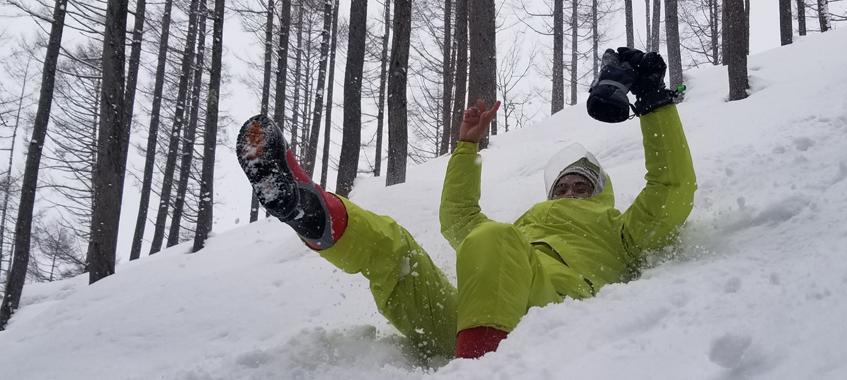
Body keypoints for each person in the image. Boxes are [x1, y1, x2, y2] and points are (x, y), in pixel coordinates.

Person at [235, 48, 696, 360]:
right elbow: (459, 220)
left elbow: (671, 187)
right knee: (396, 251)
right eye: (564, 186)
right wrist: (466, 148)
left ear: (600, 194)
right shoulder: (524, 227)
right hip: (473, 314)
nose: (572, 192)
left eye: (582, 187)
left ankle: (479, 369)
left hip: (552, 307)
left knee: (493, 237)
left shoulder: (621, 230)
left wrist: (655, 103)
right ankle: (306, 208)